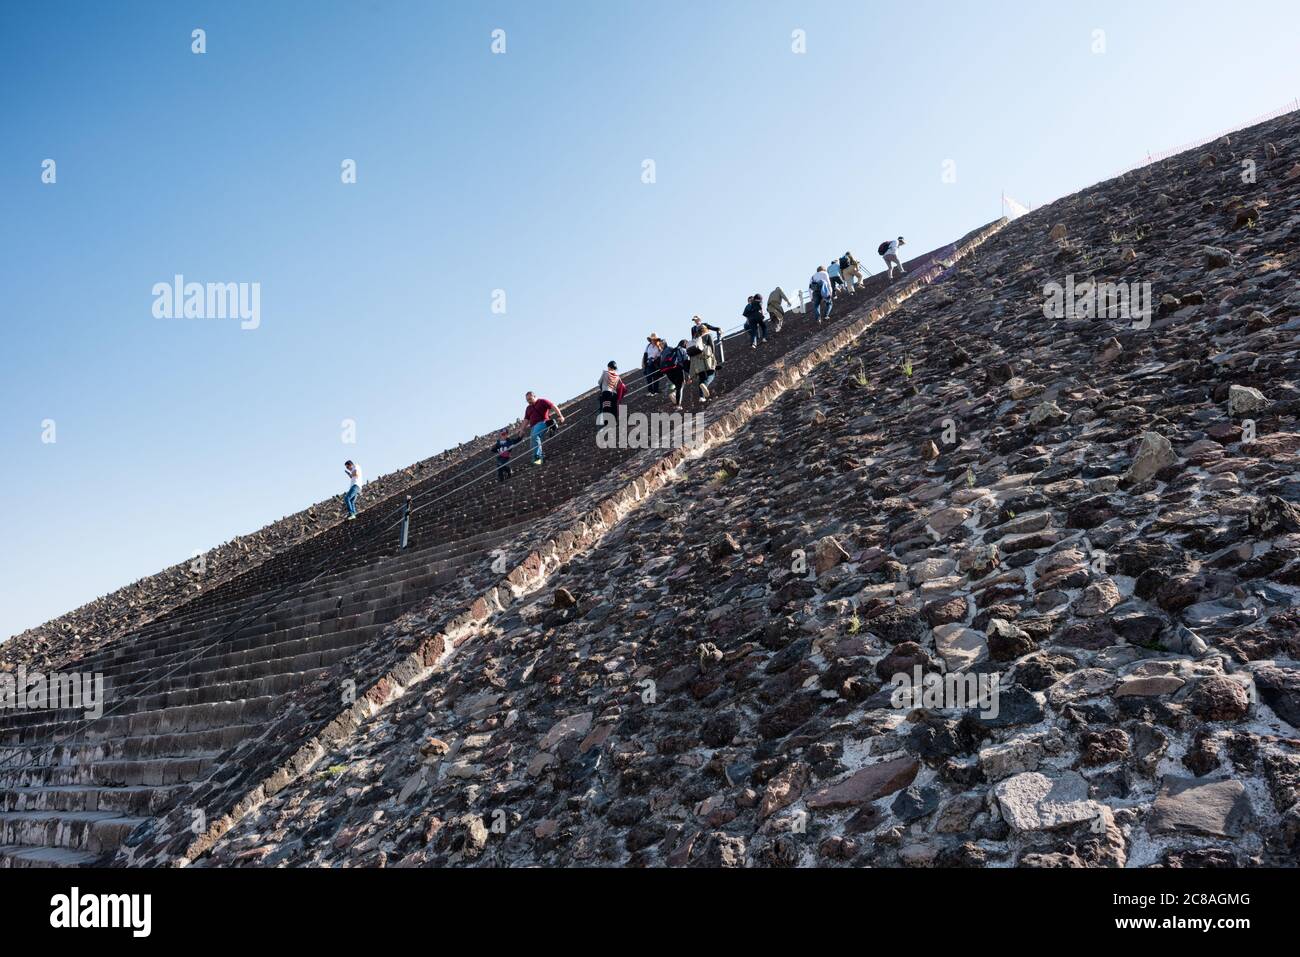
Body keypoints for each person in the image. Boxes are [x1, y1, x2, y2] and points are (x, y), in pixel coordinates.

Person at [523, 391, 565, 465]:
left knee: (535, 436)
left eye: (530, 399)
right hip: (533, 427)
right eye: (527, 400)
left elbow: (553, 406)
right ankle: (538, 459)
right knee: (533, 443)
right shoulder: (528, 408)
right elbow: (526, 419)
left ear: (534, 396)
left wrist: (560, 415)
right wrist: (521, 429)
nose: (529, 401)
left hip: (542, 422)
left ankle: (538, 458)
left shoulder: (542, 401)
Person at [689, 327, 719, 403]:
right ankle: (705, 384)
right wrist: (713, 356)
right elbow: (712, 346)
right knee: (711, 374)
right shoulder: (708, 335)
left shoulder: (696, 338)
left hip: (697, 360)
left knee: (702, 377)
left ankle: (701, 397)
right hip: (706, 357)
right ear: (705, 329)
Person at [658, 339, 690, 408]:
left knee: (677, 385)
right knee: (680, 386)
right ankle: (678, 404)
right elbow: (681, 360)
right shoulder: (672, 349)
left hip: (667, 372)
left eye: (660, 344)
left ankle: (675, 395)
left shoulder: (662, 353)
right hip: (676, 369)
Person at [596, 360, 626, 427]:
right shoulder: (617, 376)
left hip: (606, 392)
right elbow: (621, 385)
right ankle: (614, 422)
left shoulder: (605, 373)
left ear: (609, 367)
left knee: (606, 407)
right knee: (613, 408)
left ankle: (607, 424)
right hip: (614, 394)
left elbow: (599, 382)